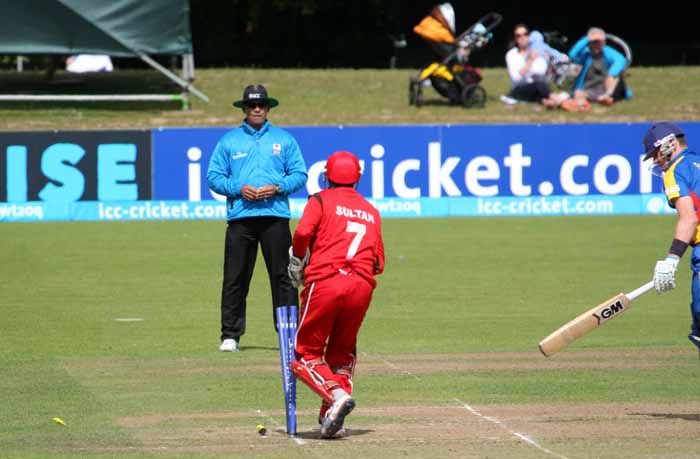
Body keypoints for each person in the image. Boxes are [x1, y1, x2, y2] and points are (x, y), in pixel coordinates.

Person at [287, 151, 385, 439]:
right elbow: (378, 263)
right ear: (358, 178)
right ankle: (330, 419)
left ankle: (336, 396)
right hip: (362, 287)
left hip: (327, 281)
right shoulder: (371, 210)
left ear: (327, 175)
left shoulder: (319, 200)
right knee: (341, 356)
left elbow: (303, 232)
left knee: (306, 355)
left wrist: (298, 261)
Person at [207, 84, 308, 353]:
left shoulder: (284, 139)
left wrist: (278, 187)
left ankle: (288, 334)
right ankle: (230, 336)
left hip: (275, 217)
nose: (257, 109)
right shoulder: (229, 141)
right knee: (235, 277)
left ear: (268, 108)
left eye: (261, 105)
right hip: (241, 218)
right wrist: (238, 189)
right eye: (252, 105)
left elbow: (300, 174)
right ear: (243, 108)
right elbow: (214, 177)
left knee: (284, 277)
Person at [643, 122, 700, 354]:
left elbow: (689, 218)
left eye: (655, 154)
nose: (656, 160)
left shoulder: (675, 171)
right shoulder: (696, 162)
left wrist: (671, 260)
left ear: (670, 144)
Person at [561, 27, 630, 112]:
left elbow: (621, 60)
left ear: (603, 42)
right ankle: (581, 105)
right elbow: (572, 55)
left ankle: (607, 97)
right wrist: (587, 38)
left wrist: (611, 74)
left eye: (598, 42)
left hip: (607, 87)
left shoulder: (609, 53)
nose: (595, 45)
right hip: (590, 88)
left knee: (614, 77)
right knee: (578, 92)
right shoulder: (586, 54)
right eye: (593, 42)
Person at [504, 24, 564, 108]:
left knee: (540, 85)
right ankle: (560, 101)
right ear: (515, 39)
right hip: (520, 88)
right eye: (518, 36)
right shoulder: (511, 55)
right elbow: (516, 78)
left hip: (538, 86)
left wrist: (549, 64)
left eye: (525, 34)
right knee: (538, 85)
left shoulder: (536, 50)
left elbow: (543, 73)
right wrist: (530, 60)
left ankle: (549, 102)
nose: (523, 37)